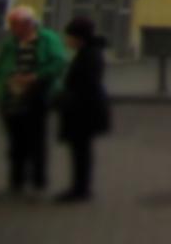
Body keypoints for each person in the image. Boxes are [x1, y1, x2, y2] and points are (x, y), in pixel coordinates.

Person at [0, 6, 67, 196]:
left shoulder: (47, 39)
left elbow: (58, 62)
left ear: (28, 24)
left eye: (15, 24)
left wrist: (34, 76)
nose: (12, 28)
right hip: (11, 96)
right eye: (11, 24)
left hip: (37, 94)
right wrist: (5, 82)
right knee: (15, 141)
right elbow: (0, 66)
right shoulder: (11, 43)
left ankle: (38, 181)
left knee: (36, 139)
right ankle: (16, 181)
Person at [55, 16, 110, 203]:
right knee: (81, 150)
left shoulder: (89, 55)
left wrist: (65, 99)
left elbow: (86, 85)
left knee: (81, 151)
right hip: (84, 109)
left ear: (79, 37)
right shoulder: (87, 53)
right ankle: (80, 187)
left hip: (84, 111)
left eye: (69, 36)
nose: (67, 40)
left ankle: (80, 189)